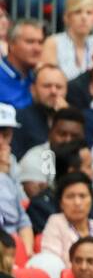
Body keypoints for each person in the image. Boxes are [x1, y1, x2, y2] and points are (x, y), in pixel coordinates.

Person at [36, 170, 93, 278]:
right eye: (70, 196)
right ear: (61, 203)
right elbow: (52, 264)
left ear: (91, 200)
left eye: (82, 196)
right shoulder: (56, 223)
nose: (77, 202)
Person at [0, 106, 35, 254]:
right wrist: (1, 175)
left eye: (6, 134)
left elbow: (21, 213)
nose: (0, 141)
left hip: (12, 246)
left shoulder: (11, 161)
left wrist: (26, 254)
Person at [41, 0, 93, 81]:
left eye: (89, 13)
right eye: (78, 12)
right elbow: (48, 80)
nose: (84, 17)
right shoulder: (53, 42)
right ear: (66, 17)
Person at [12, 62, 66, 157]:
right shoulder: (20, 118)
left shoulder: (75, 120)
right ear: (33, 89)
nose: (53, 91)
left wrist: (66, 117)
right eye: (47, 86)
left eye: (59, 87)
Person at [0, 18, 43, 111]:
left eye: (40, 42)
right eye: (30, 42)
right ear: (11, 43)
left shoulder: (40, 77)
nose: (37, 48)